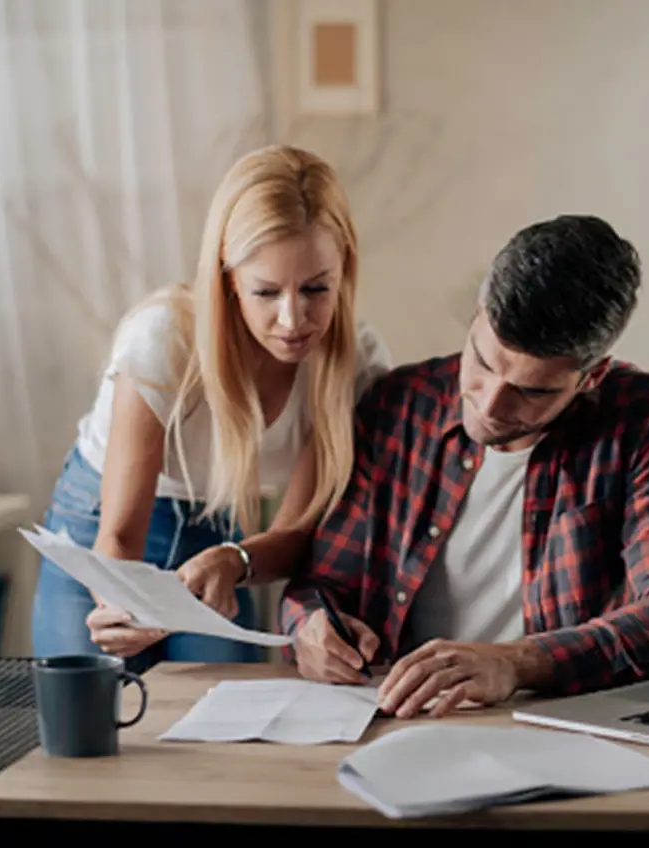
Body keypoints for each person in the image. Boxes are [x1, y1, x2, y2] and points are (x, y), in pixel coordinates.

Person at [278, 213, 649, 718]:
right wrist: (311, 627)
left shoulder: (648, 416)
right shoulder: (396, 406)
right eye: (483, 362)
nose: (491, 405)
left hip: (563, 730)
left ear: (592, 376)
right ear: (477, 315)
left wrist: (517, 664)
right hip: (396, 721)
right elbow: (321, 585)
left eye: (532, 391)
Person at [31, 144, 391, 673]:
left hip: (215, 535)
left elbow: (295, 535)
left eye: (316, 288)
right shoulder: (161, 340)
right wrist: (114, 603)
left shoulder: (352, 363)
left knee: (221, 720)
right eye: (266, 291)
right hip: (100, 526)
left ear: (346, 271)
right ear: (228, 281)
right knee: (93, 716)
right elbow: (121, 532)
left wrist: (237, 559)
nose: (293, 320)